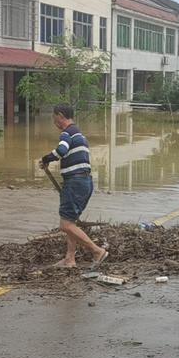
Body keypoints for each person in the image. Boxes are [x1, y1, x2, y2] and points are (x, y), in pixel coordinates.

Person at [39, 104, 108, 268]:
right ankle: (70, 259)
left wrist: (46, 159)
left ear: (60, 115)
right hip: (84, 182)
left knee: (65, 225)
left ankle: (97, 251)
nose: (53, 121)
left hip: (75, 183)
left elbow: (61, 150)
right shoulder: (79, 135)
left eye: (54, 117)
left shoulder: (67, 133)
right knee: (71, 222)